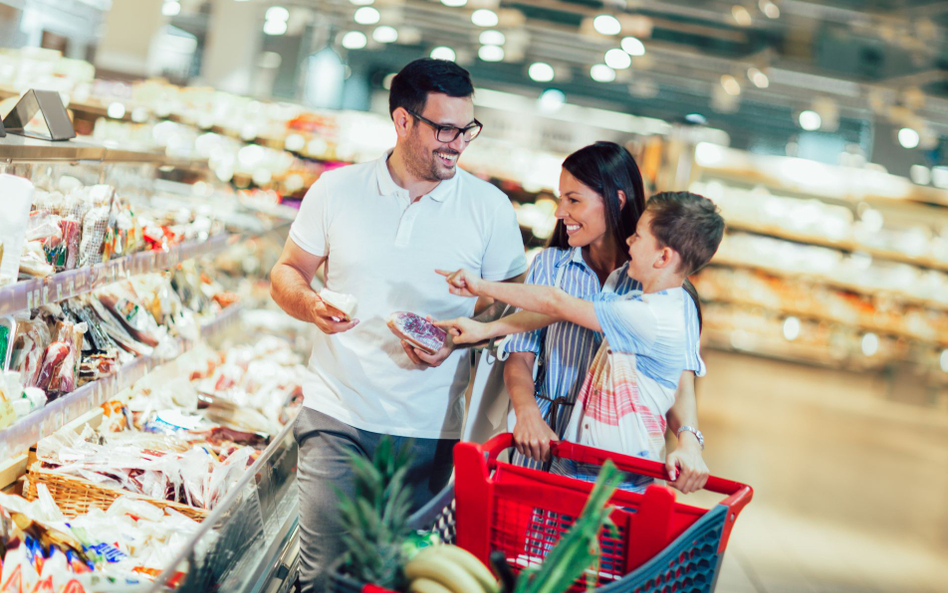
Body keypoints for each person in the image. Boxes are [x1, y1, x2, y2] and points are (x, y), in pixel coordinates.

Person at [269, 58, 528, 592]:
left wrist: (456, 337)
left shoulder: (490, 209)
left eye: (467, 130)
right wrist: (310, 304)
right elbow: (287, 272)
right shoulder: (336, 191)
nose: (457, 144)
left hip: (429, 430)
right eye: (444, 129)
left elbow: (510, 309)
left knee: (392, 578)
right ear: (403, 121)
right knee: (323, 577)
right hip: (335, 413)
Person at [437, 191, 725, 491]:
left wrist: (480, 285)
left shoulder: (647, 316)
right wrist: (485, 330)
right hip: (590, 466)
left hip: (607, 481)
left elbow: (555, 302)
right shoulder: (650, 301)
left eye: (638, 237)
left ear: (663, 256)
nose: (628, 241)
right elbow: (559, 313)